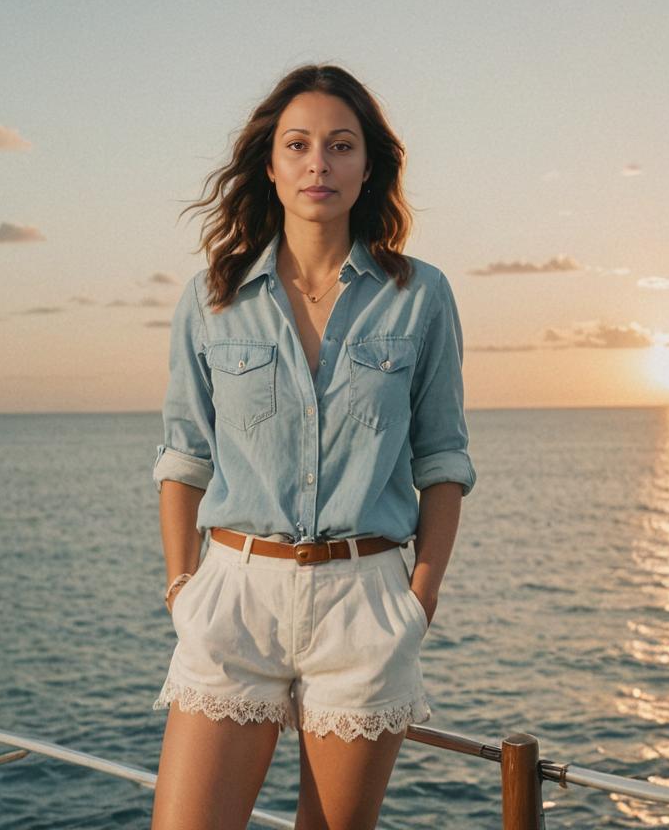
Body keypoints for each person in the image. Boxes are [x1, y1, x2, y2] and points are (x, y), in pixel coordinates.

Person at [149, 63, 477, 830]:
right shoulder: (212, 297)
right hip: (234, 596)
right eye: (298, 145)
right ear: (271, 164)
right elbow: (184, 455)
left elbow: (443, 462)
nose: (318, 164)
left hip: (363, 601)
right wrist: (181, 588)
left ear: (369, 168)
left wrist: (417, 600)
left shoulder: (420, 295)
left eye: (340, 145)